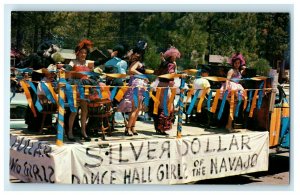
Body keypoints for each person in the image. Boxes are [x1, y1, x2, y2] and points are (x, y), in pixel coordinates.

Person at [66, 41, 97, 142]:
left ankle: (84, 132)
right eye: (81, 52)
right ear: (77, 53)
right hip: (76, 87)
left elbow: (92, 74)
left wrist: (94, 71)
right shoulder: (72, 62)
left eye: (85, 53)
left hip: (86, 87)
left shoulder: (89, 62)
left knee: (85, 110)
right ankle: (70, 132)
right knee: (74, 111)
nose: (83, 54)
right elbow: (67, 70)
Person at [117, 41, 148, 136]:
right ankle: (128, 128)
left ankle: (132, 127)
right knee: (135, 108)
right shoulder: (136, 62)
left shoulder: (136, 61)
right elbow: (131, 70)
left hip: (139, 84)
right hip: (137, 84)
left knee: (138, 108)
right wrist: (143, 75)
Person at [153, 47, 181, 135]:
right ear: (170, 56)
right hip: (165, 86)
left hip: (164, 86)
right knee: (166, 106)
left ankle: (161, 127)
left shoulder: (170, 64)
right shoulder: (168, 64)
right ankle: (161, 127)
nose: (175, 57)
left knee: (166, 106)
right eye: (174, 56)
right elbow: (170, 74)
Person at [221, 53, 246, 132]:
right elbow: (227, 79)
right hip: (232, 89)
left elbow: (240, 74)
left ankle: (229, 125)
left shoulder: (238, 71)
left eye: (238, 63)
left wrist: (243, 68)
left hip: (237, 88)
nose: (237, 64)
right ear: (233, 63)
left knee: (233, 108)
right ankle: (229, 126)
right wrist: (227, 88)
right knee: (232, 108)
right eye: (236, 63)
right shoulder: (231, 70)